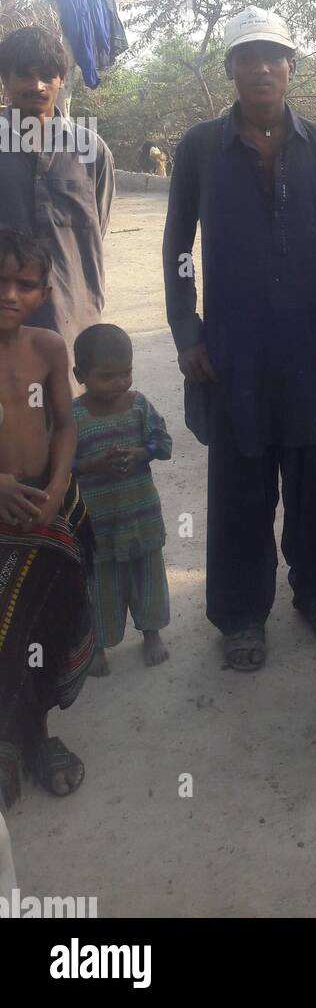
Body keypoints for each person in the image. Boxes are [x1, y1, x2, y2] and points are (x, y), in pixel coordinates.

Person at [162, 6, 316, 672]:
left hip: (313, 343)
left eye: (274, 56)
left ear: (291, 68)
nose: (261, 68)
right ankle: (242, 615)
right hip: (235, 348)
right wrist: (187, 328)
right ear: (231, 70)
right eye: (247, 57)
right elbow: (178, 245)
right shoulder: (198, 147)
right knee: (241, 485)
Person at [0, 228, 94, 807]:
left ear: (42, 290)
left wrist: (57, 487)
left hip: (46, 508)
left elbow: (64, 424)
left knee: (41, 630)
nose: (9, 293)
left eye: (24, 284)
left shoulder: (48, 348)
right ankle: (9, 744)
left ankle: (33, 735)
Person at [0, 26, 115, 362]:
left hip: (74, 313)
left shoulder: (91, 150)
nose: (37, 86)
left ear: (62, 79)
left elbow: (97, 225)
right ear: (5, 79)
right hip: (6, 316)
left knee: (71, 407)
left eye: (48, 76)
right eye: (24, 75)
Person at [72, 323, 172, 676]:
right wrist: (92, 464)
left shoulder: (139, 405)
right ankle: (97, 646)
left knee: (146, 577)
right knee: (101, 587)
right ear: (80, 375)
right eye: (107, 376)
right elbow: (64, 466)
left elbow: (164, 444)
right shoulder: (74, 417)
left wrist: (141, 452)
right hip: (98, 524)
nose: (119, 382)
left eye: (126, 373)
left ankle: (151, 633)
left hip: (141, 516)